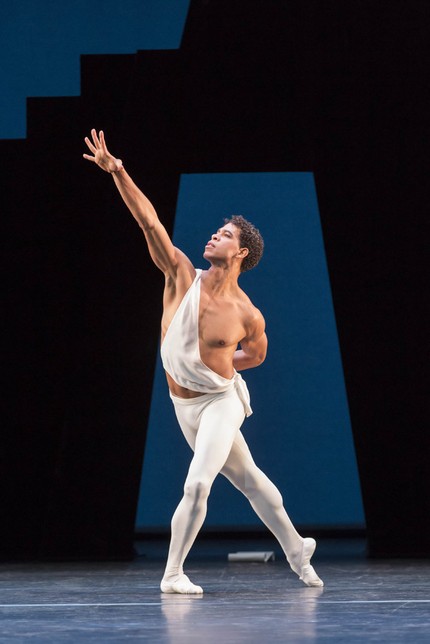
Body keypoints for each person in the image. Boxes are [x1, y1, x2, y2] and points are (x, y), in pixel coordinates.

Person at [83, 129, 324, 593]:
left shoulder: (247, 313)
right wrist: (118, 172)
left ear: (241, 253)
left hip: (220, 401)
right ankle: (298, 550)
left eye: (226, 234)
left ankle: (172, 574)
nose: (215, 235)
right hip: (184, 406)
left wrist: (221, 364)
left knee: (198, 485)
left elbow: (255, 354)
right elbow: (150, 223)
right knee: (250, 479)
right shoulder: (179, 276)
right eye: (218, 230)